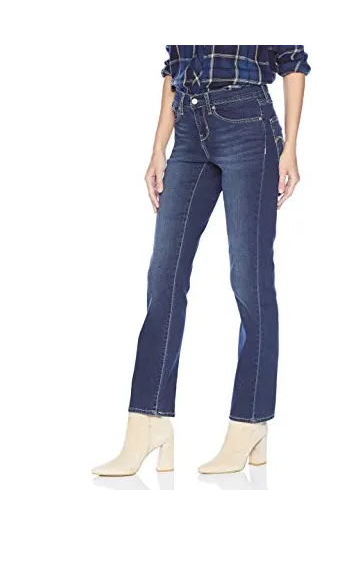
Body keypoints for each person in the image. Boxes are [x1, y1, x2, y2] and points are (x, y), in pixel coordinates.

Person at [92, 43, 310, 477]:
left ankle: (250, 421)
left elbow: (293, 63)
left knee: (249, 278)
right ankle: (148, 423)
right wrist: (158, 147)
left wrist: (290, 147)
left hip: (249, 123)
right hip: (188, 128)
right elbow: (173, 69)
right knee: (163, 275)